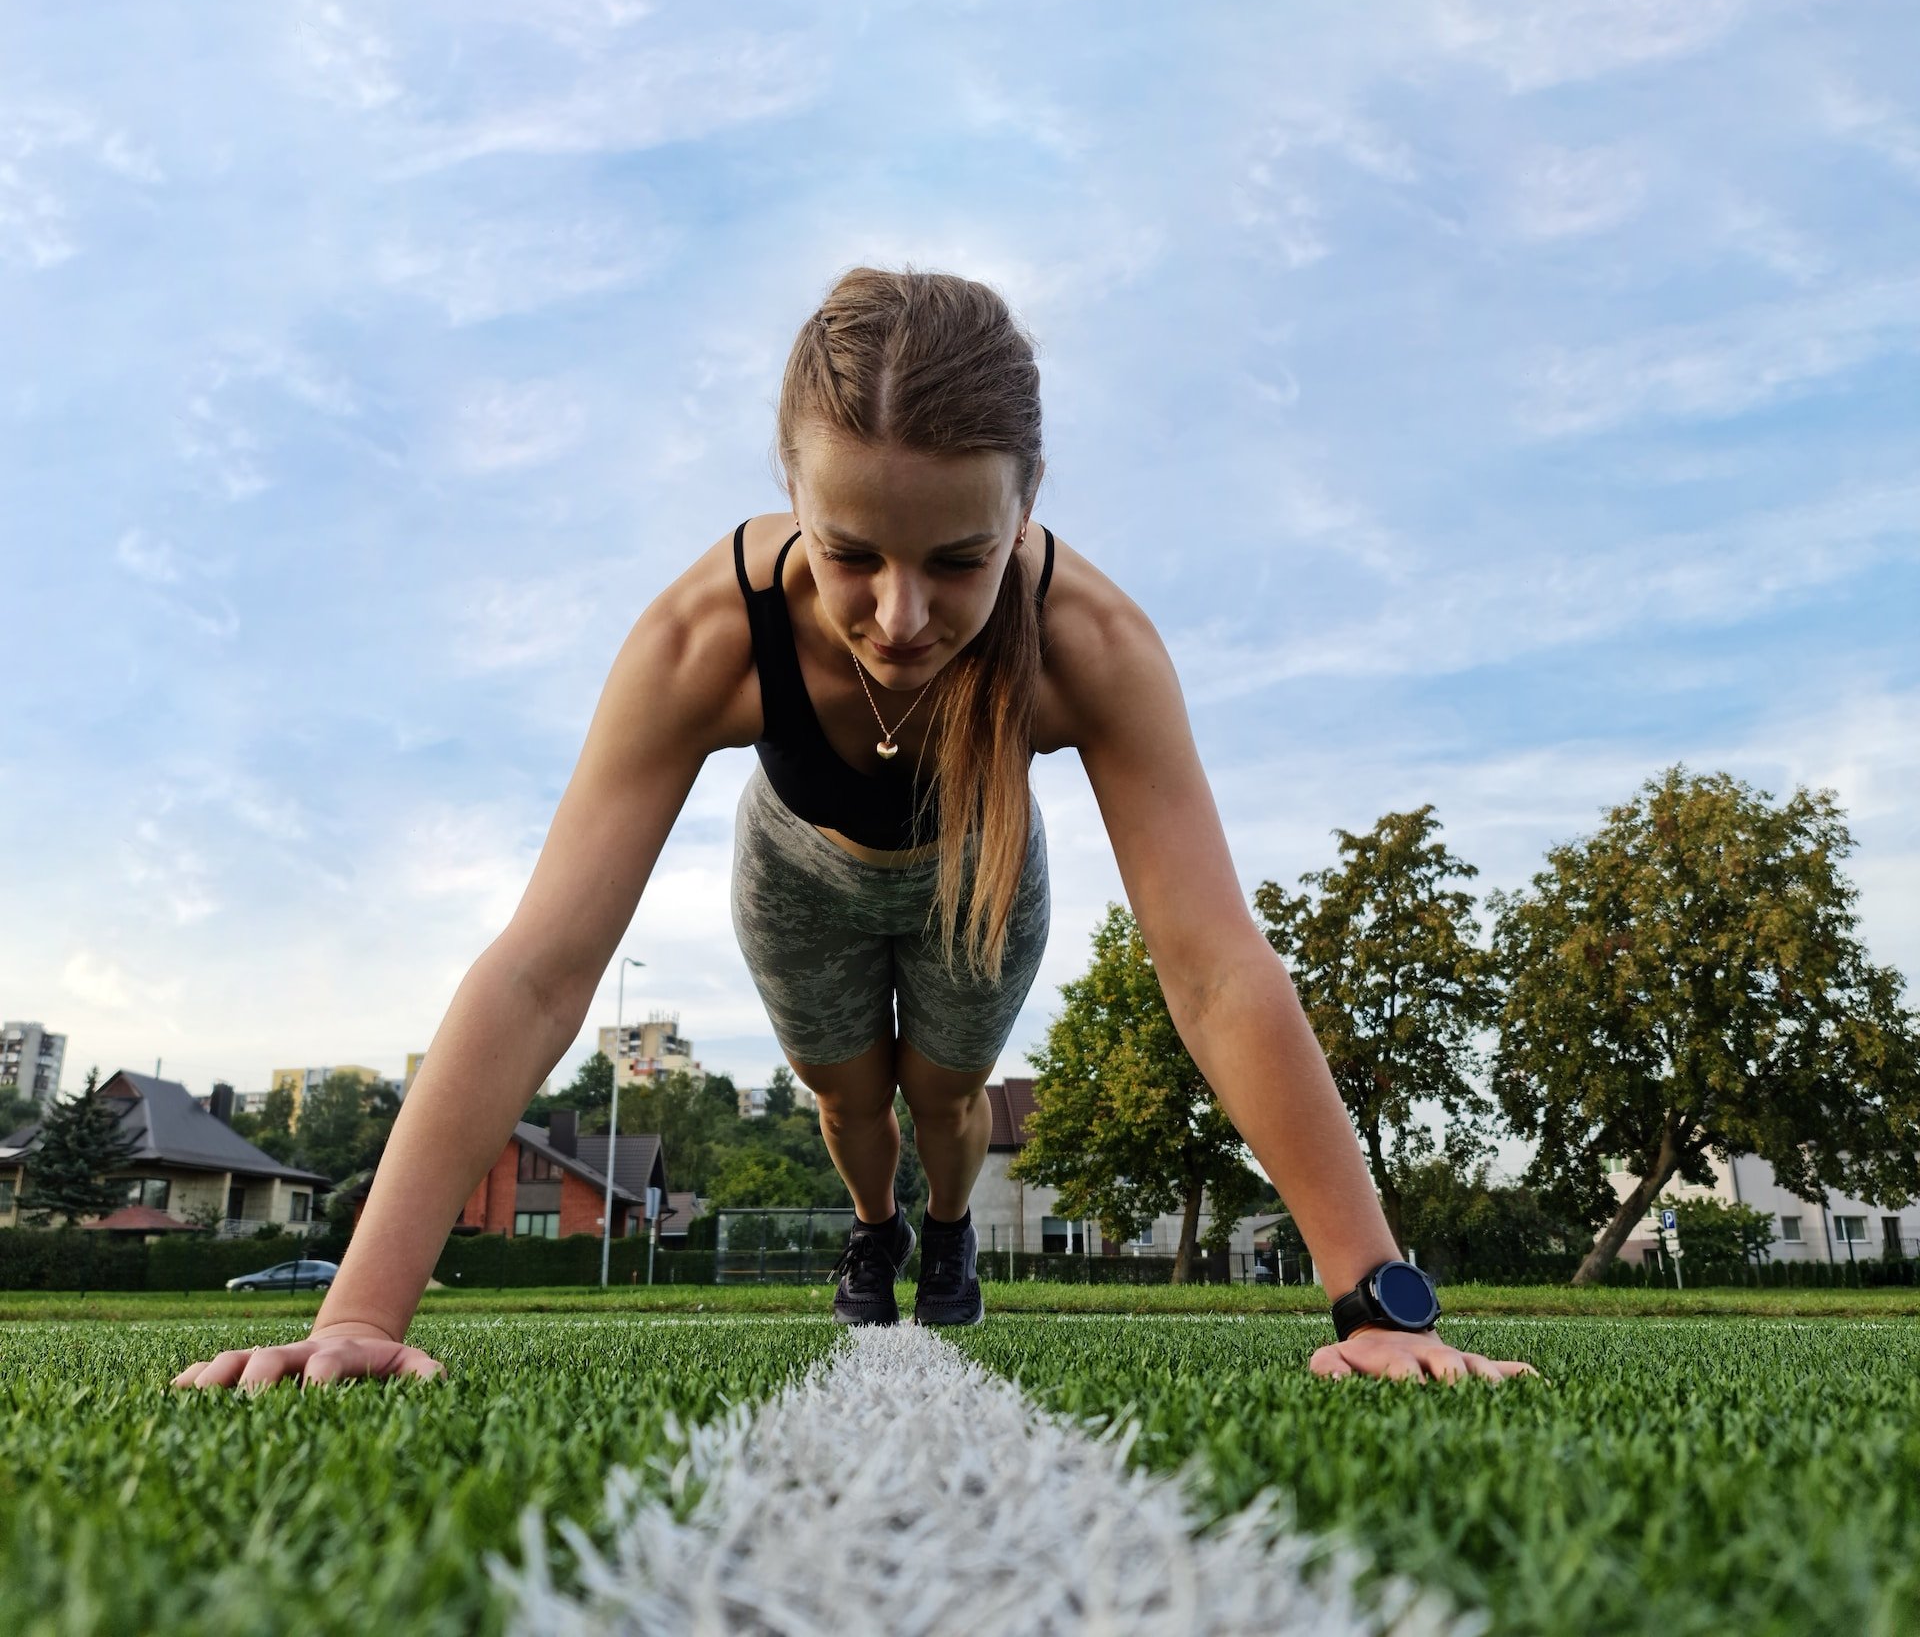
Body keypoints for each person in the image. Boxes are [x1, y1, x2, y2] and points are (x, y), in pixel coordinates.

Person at [173, 266, 1535, 1391]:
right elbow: (541, 970)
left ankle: (947, 1236)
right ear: (793, 494)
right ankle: (875, 1232)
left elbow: (1214, 966)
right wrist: (356, 1315)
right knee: (847, 1099)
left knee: (943, 1100)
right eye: (849, 556)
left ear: (1025, 506)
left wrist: (1380, 1303)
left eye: (959, 561)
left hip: (979, 866)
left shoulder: (1092, 650)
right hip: (799, 870)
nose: (898, 619)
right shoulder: (706, 639)